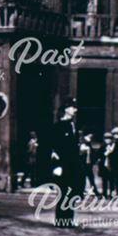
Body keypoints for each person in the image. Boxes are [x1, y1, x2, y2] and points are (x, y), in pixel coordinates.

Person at [49, 97, 80, 228]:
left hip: (73, 165)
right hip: (62, 165)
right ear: (66, 109)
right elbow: (53, 148)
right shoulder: (58, 126)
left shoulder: (73, 126)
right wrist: (56, 166)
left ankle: (69, 219)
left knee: (71, 192)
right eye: (73, 107)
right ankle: (61, 220)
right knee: (62, 193)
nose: (75, 110)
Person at [99, 132, 115, 197]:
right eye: (106, 139)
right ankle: (104, 193)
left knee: (111, 181)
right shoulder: (102, 146)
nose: (108, 140)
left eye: (109, 139)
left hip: (111, 166)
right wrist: (105, 153)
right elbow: (98, 155)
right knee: (104, 181)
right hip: (104, 166)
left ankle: (111, 193)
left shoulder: (113, 147)